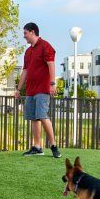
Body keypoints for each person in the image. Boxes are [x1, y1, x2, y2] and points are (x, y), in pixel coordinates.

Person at [14, 22, 61, 158]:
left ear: (32, 32)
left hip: (42, 89)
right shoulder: (28, 52)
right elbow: (25, 71)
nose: (24, 36)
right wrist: (18, 89)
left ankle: (53, 145)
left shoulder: (45, 46)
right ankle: (37, 146)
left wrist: (53, 84)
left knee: (42, 115)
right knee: (34, 118)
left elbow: (51, 64)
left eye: (25, 33)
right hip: (30, 90)